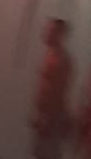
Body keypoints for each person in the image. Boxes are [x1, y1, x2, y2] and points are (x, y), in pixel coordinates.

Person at [31, 18, 72, 159]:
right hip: (47, 116)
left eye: (51, 31)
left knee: (46, 154)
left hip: (52, 119)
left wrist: (46, 118)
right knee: (41, 152)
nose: (46, 33)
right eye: (47, 29)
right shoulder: (51, 55)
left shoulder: (61, 60)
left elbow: (58, 92)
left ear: (59, 35)